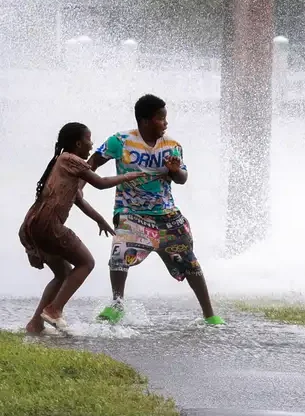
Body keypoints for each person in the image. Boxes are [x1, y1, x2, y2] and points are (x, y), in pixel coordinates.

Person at [88, 94, 225, 326]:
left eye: (165, 118)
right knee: (119, 252)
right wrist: (76, 186)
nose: (166, 123)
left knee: (190, 262)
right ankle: (117, 305)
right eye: (161, 118)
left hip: (166, 216)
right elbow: (91, 164)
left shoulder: (172, 146)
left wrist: (174, 170)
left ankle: (209, 315)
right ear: (145, 121)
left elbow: (182, 179)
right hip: (131, 212)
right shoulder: (119, 141)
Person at [20, 122, 146, 334]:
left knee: (62, 274)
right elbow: (101, 182)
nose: (91, 144)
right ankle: (54, 310)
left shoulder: (61, 163)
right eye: (88, 140)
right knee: (86, 262)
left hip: (32, 225)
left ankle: (36, 323)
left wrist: (99, 220)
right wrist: (127, 176)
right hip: (49, 225)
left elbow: (78, 199)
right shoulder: (71, 159)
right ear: (78, 143)